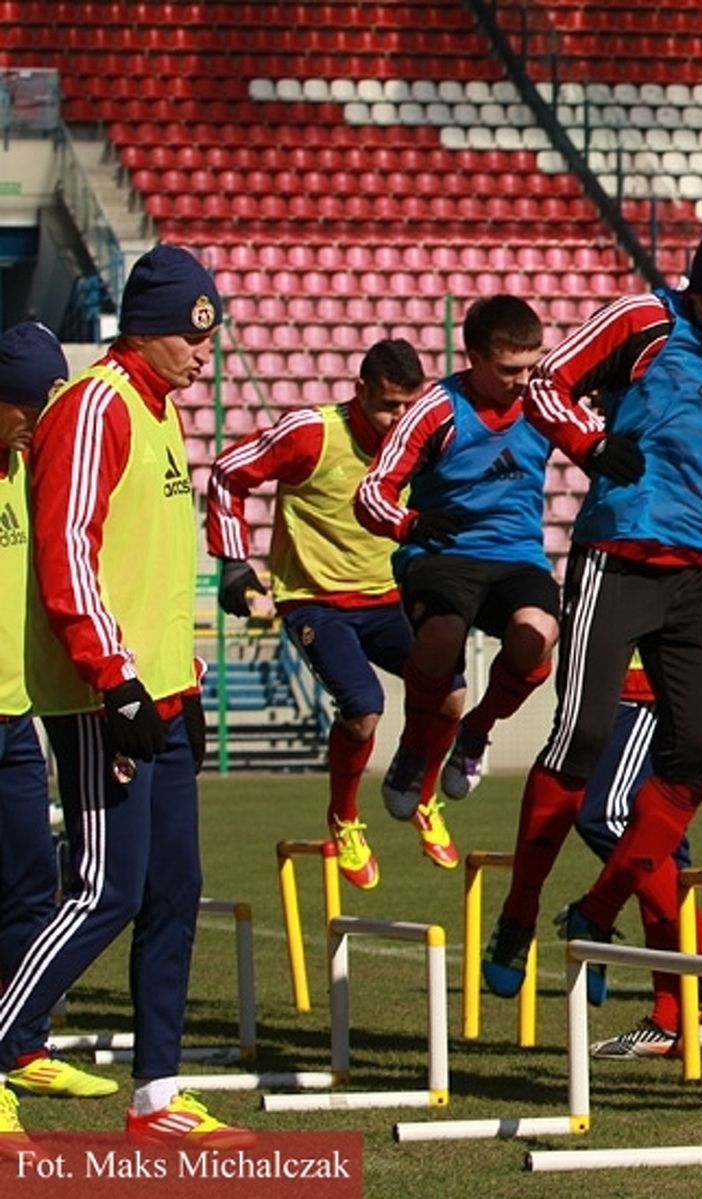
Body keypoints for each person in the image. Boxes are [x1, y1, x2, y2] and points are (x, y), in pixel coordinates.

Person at [498, 218, 702, 1014]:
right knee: (583, 736)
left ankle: (596, 908)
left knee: (700, 750)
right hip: (620, 554)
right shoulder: (641, 321)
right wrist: (589, 443)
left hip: (698, 571)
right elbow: (543, 385)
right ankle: (516, 914)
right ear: (696, 292)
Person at [2, 246, 250, 1145]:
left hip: (166, 692)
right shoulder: (95, 407)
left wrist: (167, 676)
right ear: (152, 324)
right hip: (104, 696)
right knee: (104, 889)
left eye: (209, 334)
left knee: (173, 889)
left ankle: (156, 1095)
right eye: (195, 333)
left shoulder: (160, 412)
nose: (204, 352)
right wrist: (117, 682)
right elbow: (68, 553)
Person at [206, 338, 464, 886]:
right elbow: (229, 471)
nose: (399, 419)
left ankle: (420, 796)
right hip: (315, 602)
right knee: (364, 707)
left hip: (385, 596)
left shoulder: (422, 441)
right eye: (388, 405)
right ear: (360, 391)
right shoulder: (310, 434)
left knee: (452, 693)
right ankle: (345, 817)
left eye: (407, 406)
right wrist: (233, 563)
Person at [354, 296, 561, 869]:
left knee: (537, 634)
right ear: (472, 358)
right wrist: (409, 522)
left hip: (517, 555)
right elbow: (371, 493)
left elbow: (597, 436)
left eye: (530, 367)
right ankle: (417, 745)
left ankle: (477, 731)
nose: (523, 381)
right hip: (441, 551)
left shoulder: (544, 402)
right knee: (442, 635)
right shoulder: (434, 410)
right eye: (508, 370)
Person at [0, 324, 121, 1149]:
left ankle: (20, 1044)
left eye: (46, 400)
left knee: (30, 889)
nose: (35, 418)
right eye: (24, 402)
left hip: (15, 715)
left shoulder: (22, 464)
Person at [567, 527, 702, 1058]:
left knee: (611, 818)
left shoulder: (692, 493)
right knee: (655, 847)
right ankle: (672, 1013)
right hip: (642, 671)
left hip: (653, 678)